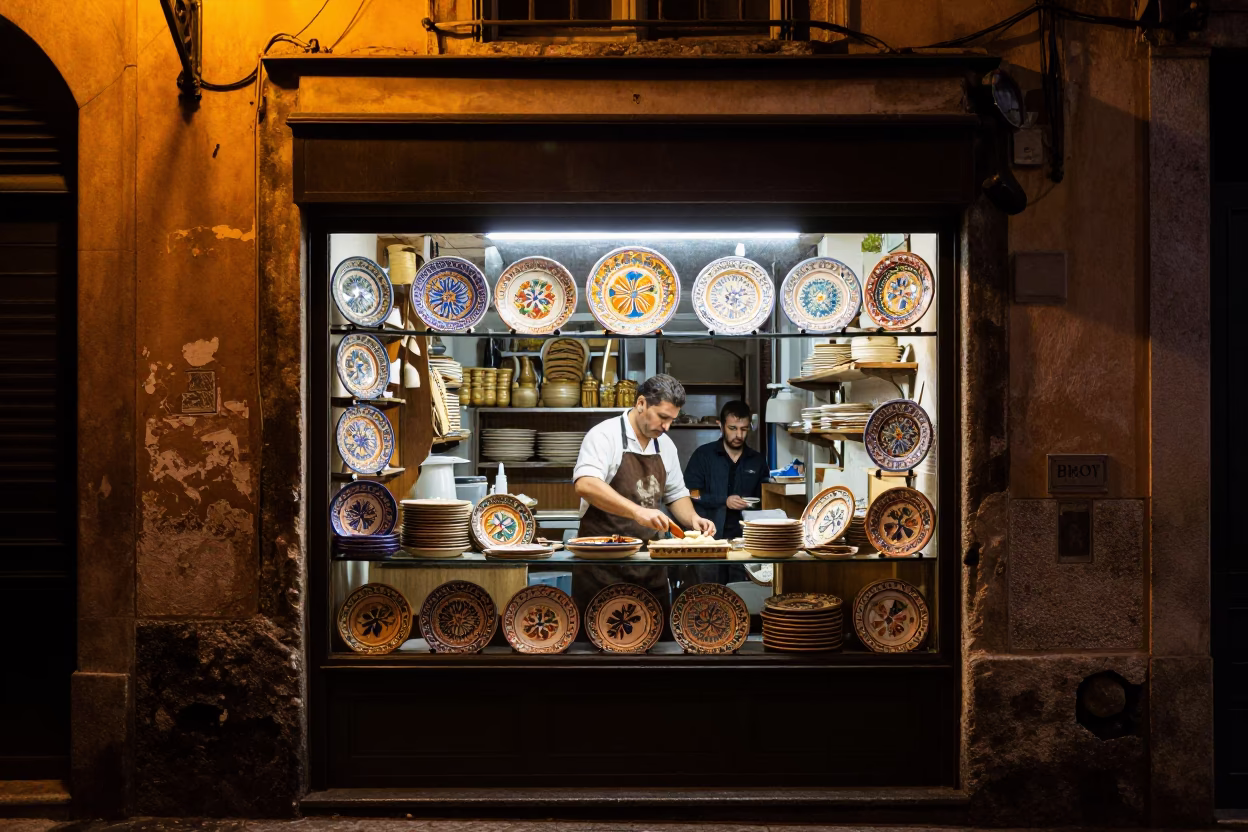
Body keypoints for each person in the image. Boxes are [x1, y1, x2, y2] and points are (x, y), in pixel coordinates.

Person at [571, 374, 715, 633]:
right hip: (603, 568)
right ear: (640, 404)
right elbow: (586, 484)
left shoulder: (665, 446)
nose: (667, 426)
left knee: (652, 647)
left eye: (672, 419)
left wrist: (693, 519)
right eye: (662, 417)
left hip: (649, 568)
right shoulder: (605, 436)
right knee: (598, 649)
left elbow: (676, 494)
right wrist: (636, 511)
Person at [685, 400, 767, 540]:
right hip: (709, 536)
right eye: (733, 428)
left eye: (744, 429)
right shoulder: (703, 455)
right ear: (721, 426)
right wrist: (724, 500)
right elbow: (691, 493)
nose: (739, 435)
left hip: (747, 538)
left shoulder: (757, 461)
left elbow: (766, 500)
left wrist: (753, 503)